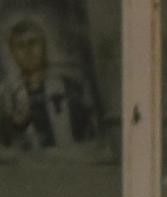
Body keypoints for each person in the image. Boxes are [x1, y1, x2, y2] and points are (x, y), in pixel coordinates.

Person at [1, 19, 98, 151]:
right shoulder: (8, 97)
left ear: (44, 46)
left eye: (33, 43)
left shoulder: (72, 86)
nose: (28, 51)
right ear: (13, 53)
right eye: (20, 46)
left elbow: (93, 132)